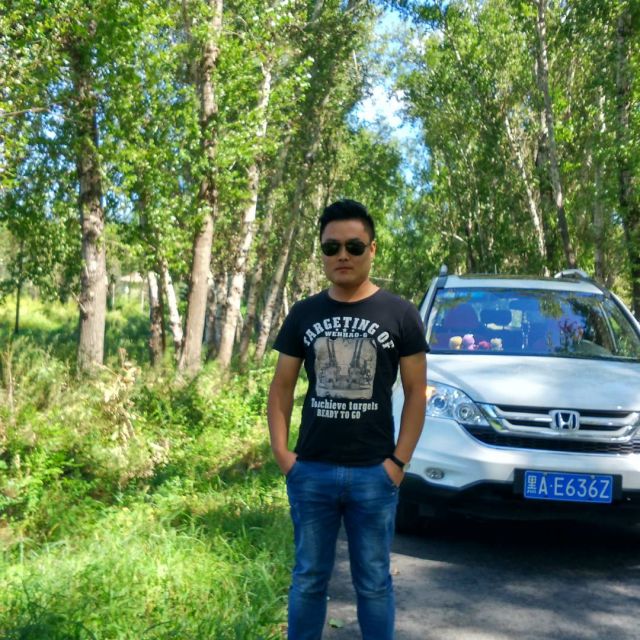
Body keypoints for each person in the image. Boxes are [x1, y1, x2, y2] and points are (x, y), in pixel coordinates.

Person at [267, 199, 428, 639]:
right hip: (311, 471)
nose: (343, 255)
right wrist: (283, 454)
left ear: (372, 250)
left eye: (354, 246)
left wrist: (398, 463)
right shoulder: (304, 313)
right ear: (322, 252)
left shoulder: (400, 314)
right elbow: (281, 387)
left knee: (374, 583)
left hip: (374, 473)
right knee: (308, 579)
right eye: (332, 247)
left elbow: (417, 393)